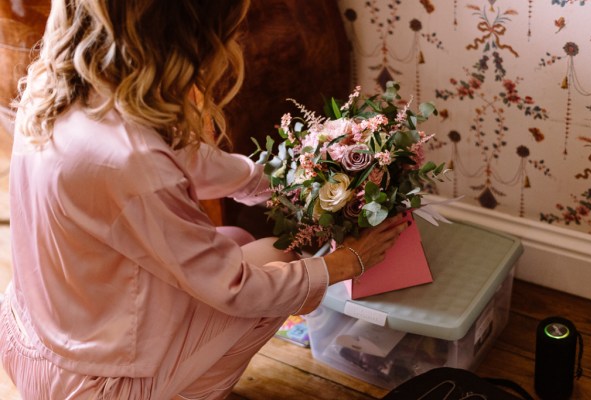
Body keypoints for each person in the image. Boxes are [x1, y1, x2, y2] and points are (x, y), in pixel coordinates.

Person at [0, 1, 408, 399]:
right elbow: (238, 289)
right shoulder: (132, 160)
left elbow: (199, 165)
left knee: (234, 237)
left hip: (35, 341)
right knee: (276, 256)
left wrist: (303, 181)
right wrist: (345, 263)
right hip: (93, 387)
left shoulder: (60, 85)